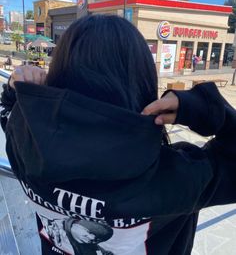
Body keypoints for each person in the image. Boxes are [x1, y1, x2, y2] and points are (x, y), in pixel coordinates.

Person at [1, 14, 236, 255]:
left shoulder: (27, 145)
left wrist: (15, 90)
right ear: (140, 81)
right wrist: (203, 109)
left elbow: (8, 113)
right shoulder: (176, 176)